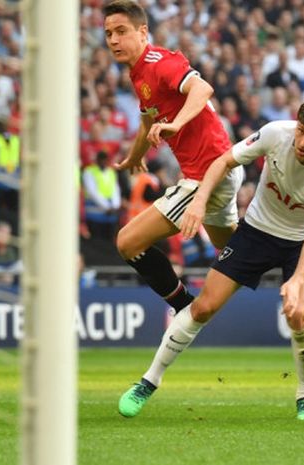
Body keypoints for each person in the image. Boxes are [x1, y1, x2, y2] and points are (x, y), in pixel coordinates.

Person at [118, 95, 304, 421]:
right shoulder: (276, 133)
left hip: (303, 241)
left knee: (298, 311)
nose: (303, 141)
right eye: (302, 130)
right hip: (256, 232)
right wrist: (199, 201)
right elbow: (222, 161)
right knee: (204, 306)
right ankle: (148, 382)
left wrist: (295, 281)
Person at [103, 1, 243, 314]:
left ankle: (184, 309)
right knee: (235, 250)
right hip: (222, 166)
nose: (113, 40)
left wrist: (177, 122)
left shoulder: (159, 62)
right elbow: (147, 121)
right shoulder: (139, 74)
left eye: (121, 31)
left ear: (142, 32)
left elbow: (202, 88)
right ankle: (295, 264)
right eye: (109, 33)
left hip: (205, 172)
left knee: (128, 242)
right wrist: (133, 157)